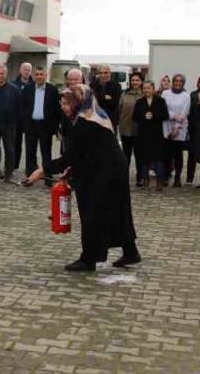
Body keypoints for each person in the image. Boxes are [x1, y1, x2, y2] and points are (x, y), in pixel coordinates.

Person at [24, 84, 140, 271]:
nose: (63, 107)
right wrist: (71, 169)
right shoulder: (90, 115)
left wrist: (42, 171)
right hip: (106, 167)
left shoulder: (87, 122)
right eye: (62, 103)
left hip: (105, 171)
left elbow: (72, 155)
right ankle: (130, 252)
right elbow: (86, 151)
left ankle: (89, 259)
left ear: (78, 102)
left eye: (67, 103)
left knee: (92, 212)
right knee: (116, 211)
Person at [21, 66, 61, 183]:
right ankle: (30, 176)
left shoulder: (52, 90)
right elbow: (22, 107)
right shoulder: (27, 89)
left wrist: (55, 128)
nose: (39, 77)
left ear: (45, 75)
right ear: (33, 76)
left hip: (46, 126)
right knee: (30, 152)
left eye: (41, 74)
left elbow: (56, 110)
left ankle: (47, 176)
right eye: (37, 74)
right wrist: (24, 124)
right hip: (31, 125)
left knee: (46, 152)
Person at [132, 79, 169, 191]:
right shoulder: (139, 101)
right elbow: (135, 117)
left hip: (156, 134)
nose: (146, 90)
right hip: (143, 134)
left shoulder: (160, 101)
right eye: (144, 88)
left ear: (153, 89)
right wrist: (144, 116)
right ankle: (145, 180)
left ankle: (159, 182)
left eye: (148, 88)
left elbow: (165, 115)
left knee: (158, 159)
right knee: (144, 158)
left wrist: (154, 116)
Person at [161, 74, 190, 187]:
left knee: (178, 154)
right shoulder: (165, 93)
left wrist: (177, 127)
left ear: (183, 83)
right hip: (166, 126)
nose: (178, 83)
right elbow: (163, 109)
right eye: (176, 81)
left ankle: (177, 178)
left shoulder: (186, 96)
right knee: (167, 154)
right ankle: (166, 176)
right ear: (173, 82)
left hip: (180, 128)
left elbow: (184, 112)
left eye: (180, 81)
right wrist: (173, 116)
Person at [117, 72, 146, 186]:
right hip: (125, 128)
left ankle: (140, 177)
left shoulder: (144, 94)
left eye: (137, 80)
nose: (135, 82)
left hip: (139, 129)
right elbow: (119, 109)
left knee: (139, 155)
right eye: (133, 80)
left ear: (141, 81)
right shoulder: (124, 94)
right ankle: (124, 177)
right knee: (125, 155)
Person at [10, 62, 33, 173]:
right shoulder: (13, 84)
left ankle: (30, 167)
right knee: (16, 143)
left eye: (29, 70)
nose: (26, 72)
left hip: (30, 119)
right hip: (17, 119)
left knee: (31, 144)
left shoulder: (34, 84)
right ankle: (14, 165)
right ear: (20, 70)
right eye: (25, 69)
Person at [92, 65, 122, 132]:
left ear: (110, 73)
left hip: (110, 121)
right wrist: (104, 98)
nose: (103, 75)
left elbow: (114, 104)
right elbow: (91, 102)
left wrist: (98, 98)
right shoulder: (93, 85)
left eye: (105, 73)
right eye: (101, 73)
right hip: (96, 121)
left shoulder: (116, 86)